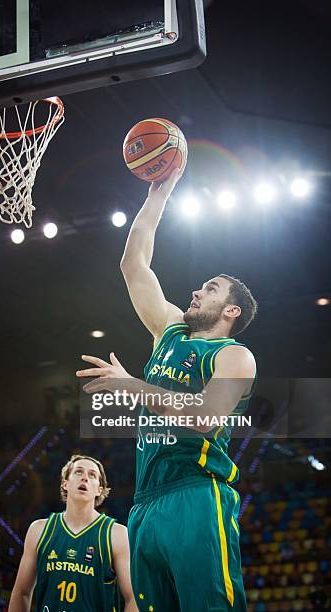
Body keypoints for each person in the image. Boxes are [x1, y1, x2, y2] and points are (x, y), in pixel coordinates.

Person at [76, 167, 258, 611]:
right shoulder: (169, 331)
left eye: (211, 289)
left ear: (231, 310)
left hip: (196, 494)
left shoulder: (235, 356)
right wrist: (161, 191)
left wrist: (134, 386)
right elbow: (133, 264)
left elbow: (205, 418)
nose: (197, 290)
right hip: (143, 503)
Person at [9, 454, 137, 612]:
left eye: (92, 475)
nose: (84, 478)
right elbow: (21, 592)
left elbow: (133, 598)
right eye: (78, 472)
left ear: (100, 490)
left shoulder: (115, 534)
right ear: (65, 483)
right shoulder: (39, 530)